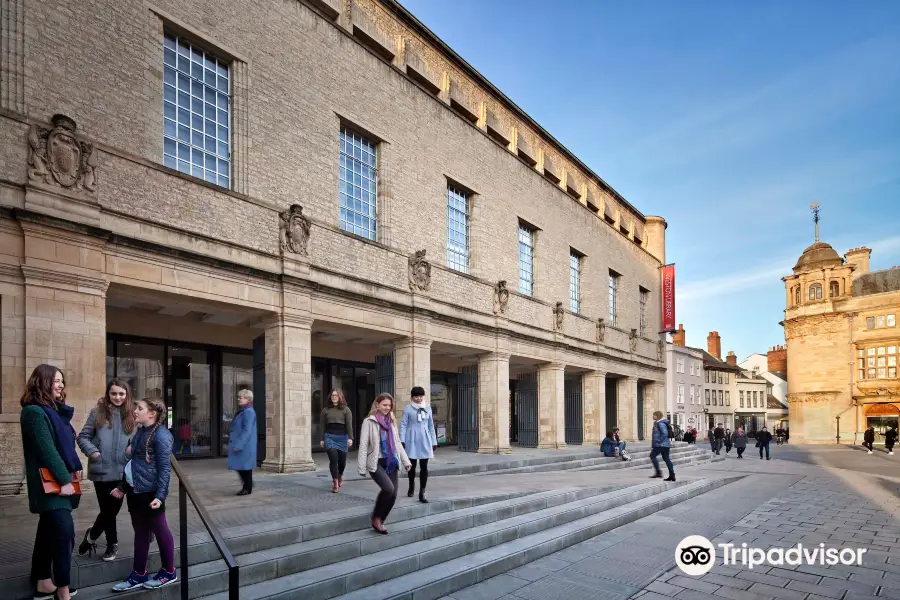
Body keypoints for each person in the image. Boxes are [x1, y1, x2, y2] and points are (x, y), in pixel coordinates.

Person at [20, 364, 81, 600]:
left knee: (48, 531)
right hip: (50, 484)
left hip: (55, 482)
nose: (61, 385)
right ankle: (62, 589)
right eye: (56, 381)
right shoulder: (34, 412)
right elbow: (47, 451)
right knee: (64, 532)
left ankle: (43, 581)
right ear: (43, 382)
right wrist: (65, 480)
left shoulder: (51, 411)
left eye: (62, 381)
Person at [111, 397, 177, 591]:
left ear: (152, 414)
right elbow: (135, 464)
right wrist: (123, 486)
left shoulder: (162, 436)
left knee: (161, 531)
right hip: (135, 492)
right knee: (140, 532)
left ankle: (168, 571)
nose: (135, 411)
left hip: (151, 494)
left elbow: (165, 469)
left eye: (139, 408)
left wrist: (160, 496)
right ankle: (139, 574)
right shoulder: (140, 432)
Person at [77, 378, 135, 562]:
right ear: (108, 394)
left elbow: (141, 438)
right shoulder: (97, 413)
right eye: (114, 393)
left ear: (127, 395)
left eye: (121, 394)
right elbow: (83, 437)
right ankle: (112, 544)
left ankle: (92, 536)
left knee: (112, 509)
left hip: (122, 471)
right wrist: (93, 452)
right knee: (108, 509)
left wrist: (131, 448)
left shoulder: (133, 415)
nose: (117, 397)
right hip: (101, 470)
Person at [357, 393, 411, 534]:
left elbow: (397, 443)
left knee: (393, 495)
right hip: (376, 462)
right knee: (388, 489)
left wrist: (406, 461)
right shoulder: (369, 422)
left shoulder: (392, 422)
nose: (387, 408)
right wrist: (361, 467)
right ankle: (376, 517)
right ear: (377, 405)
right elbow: (363, 445)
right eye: (384, 405)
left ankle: (380, 520)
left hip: (391, 461)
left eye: (389, 405)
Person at [400, 386, 438, 503]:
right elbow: (403, 425)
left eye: (421, 396)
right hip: (411, 438)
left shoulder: (427, 408)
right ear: (412, 397)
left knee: (424, 466)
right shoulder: (407, 408)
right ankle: (411, 485)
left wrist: (434, 441)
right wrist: (402, 440)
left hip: (425, 439)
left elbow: (431, 425)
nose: (419, 398)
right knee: (412, 465)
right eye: (416, 396)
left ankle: (422, 492)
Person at [320, 390, 354, 493]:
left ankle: (340, 476)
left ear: (340, 397)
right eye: (332, 395)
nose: (334, 397)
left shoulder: (346, 410)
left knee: (342, 462)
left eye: (336, 395)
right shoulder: (325, 411)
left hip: (342, 437)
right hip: (329, 437)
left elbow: (349, 425)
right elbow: (322, 426)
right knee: (333, 459)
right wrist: (322, 439)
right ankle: (335, 483)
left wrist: (350, 438)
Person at [227, 389, 257, 496]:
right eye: (238, 397)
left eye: (241, 397)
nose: (238, 399)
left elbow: (247, 430)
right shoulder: (243, 411)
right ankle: (248, 485)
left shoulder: (248, 412)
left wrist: (239, 444)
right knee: (242, 467)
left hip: (245, 445)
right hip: (243, 445)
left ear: (247, 399)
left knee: (244, 468)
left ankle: (247, 488)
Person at [649, 411, 675, 482]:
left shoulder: (660, 423)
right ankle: (672, 475)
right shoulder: (658, 423)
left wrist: (658, 441)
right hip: (665, 445)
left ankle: (658, 472)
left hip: (661, 445)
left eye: (653, 415)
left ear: (657, 416)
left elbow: (664, 433)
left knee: (652, 456)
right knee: (666, 458)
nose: (652, 416)